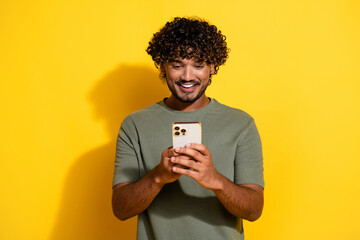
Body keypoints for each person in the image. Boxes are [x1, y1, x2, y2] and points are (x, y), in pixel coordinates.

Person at [112, 17, 264, 240]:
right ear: (163, 65)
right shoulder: (134, 125)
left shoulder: (241, 124)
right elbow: (120, 209)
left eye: (198, 65)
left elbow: (254, 210)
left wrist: (214, 180)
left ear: (213, 67)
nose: (187, 76)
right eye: (177, 65)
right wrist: (158, 177)